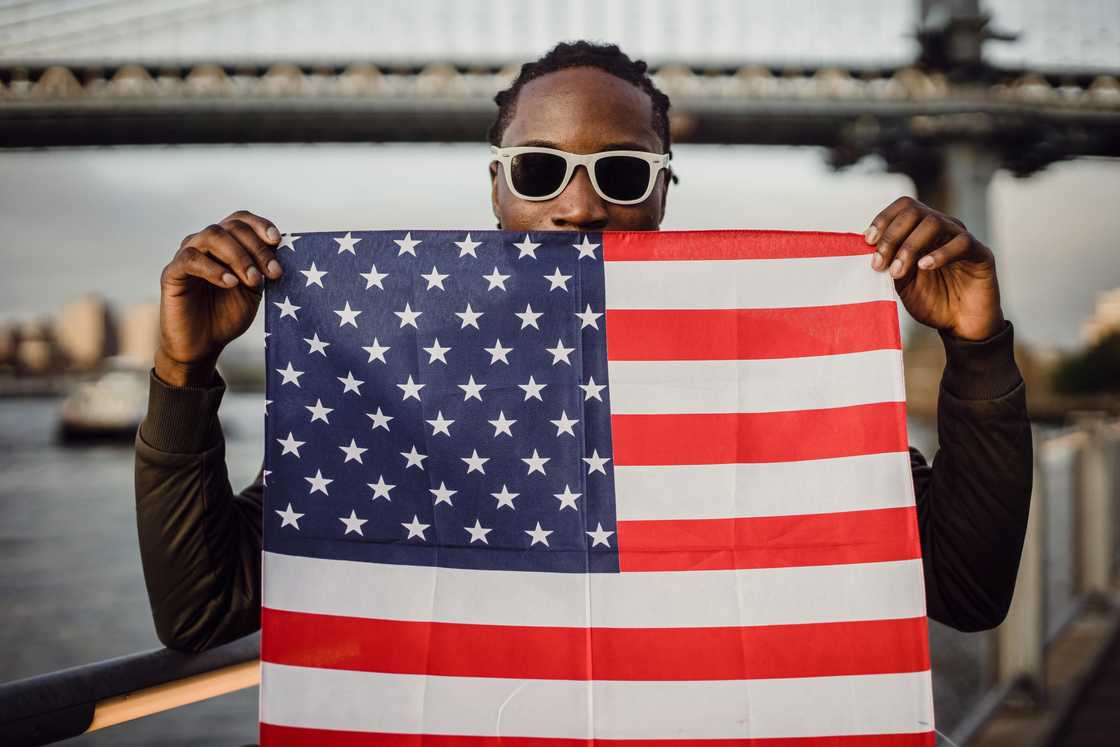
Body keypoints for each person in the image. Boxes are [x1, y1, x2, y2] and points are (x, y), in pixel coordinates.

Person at [135, 41, 1031, 653]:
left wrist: (978, 347)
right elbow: (201, 610)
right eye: (538, 169)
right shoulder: (401, 388)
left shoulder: (763, 371)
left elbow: (966, 589)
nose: (579, 205)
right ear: (498, 189)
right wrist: (184, 373)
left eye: (621, 171)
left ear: (662, 191)